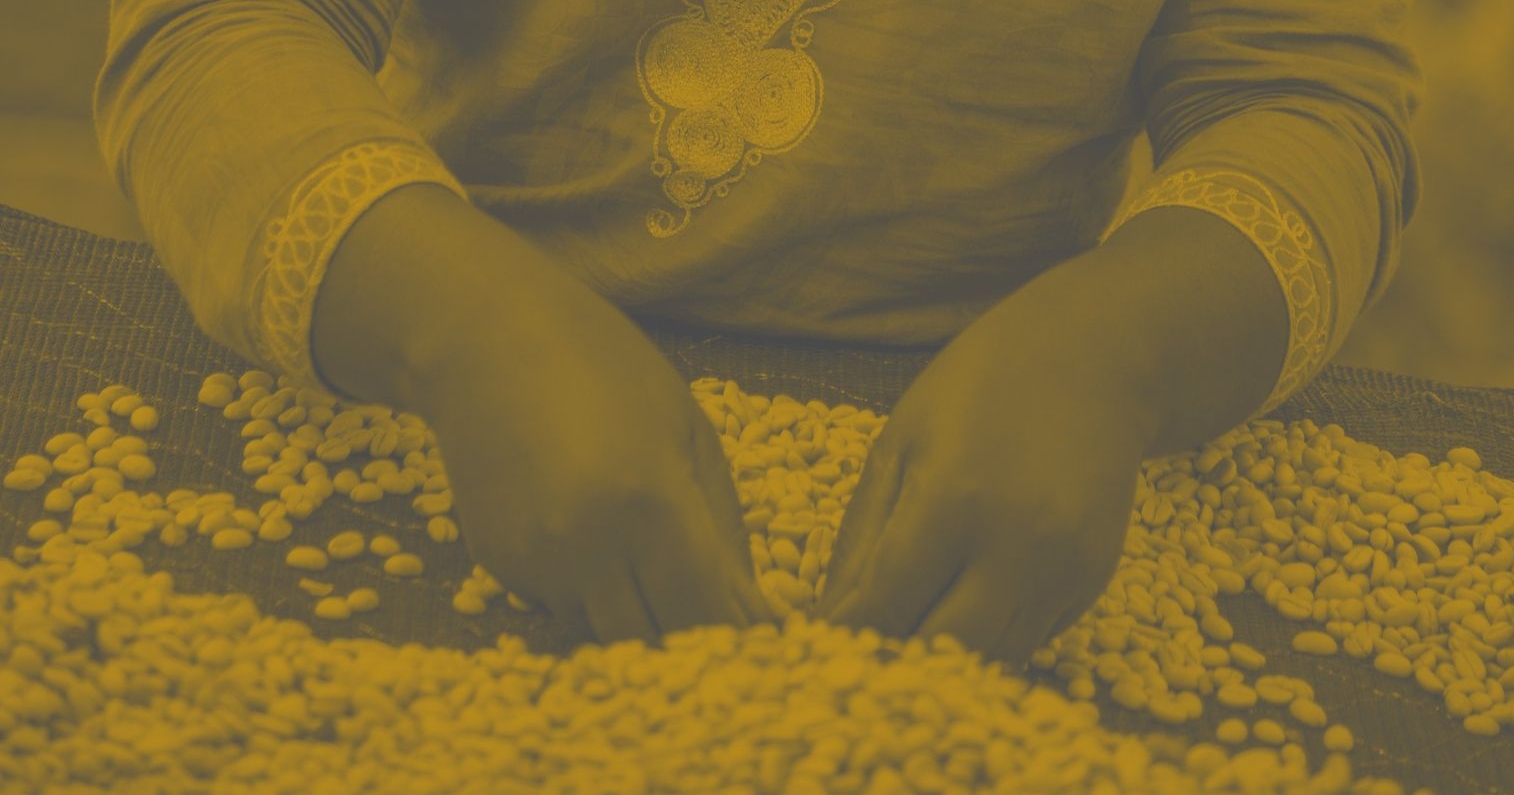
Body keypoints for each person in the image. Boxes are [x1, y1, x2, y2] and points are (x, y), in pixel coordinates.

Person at [95, 0, 1421, 667]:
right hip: (421, 373)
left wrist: (1117, 353)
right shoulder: (443, 334)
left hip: (992, 451)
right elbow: (215, 30)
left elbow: (1306, 105)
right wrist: (458, 324)